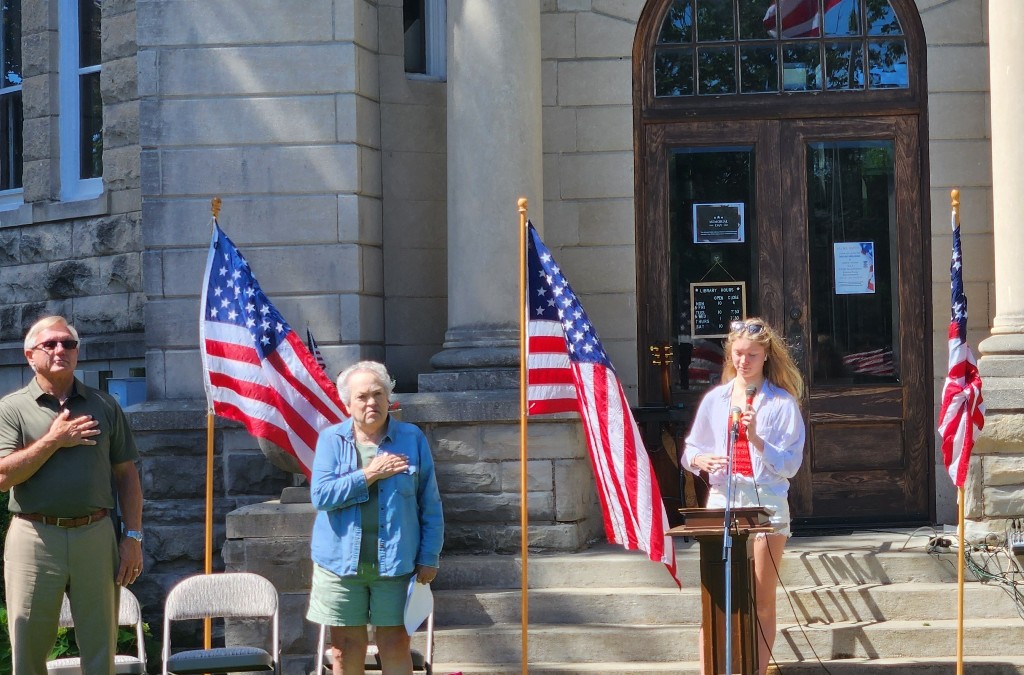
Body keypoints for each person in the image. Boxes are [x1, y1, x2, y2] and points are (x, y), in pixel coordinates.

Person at [0, 316, 144, 675]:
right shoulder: (12, 408)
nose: (60, 349)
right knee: (28, 648)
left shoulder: (104, 405)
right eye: (49, 344)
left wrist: (133, 537)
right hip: (34, 537)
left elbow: (127, 475)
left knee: (100, 649)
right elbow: (3, 477)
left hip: (96, 535)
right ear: (30, 355)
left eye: (68, 343)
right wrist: (54, 440)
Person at [682, 317, 805, 675]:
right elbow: (691, 449)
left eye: (752, 354)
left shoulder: (781, 403)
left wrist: (756, 440)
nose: (744, 361)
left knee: (760, 596)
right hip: (724, 498)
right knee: (718, 596)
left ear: (766, 355)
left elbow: (790, 465)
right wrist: (699, 460)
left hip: (765, 499)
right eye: (738, 353)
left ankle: (756, 670)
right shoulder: (715, 400)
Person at [308, 361, 443, 675]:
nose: (371, 402)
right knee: (343, 649)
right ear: (347, 403)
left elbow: (430, 503)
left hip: (396, 564)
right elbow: (322, 496)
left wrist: (429, 556)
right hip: (339, 566)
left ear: (388, 397)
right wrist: (369, 474)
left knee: (395, 644)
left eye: (378, 394)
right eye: (362, 396)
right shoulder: (331, 440)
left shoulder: (412, 438)